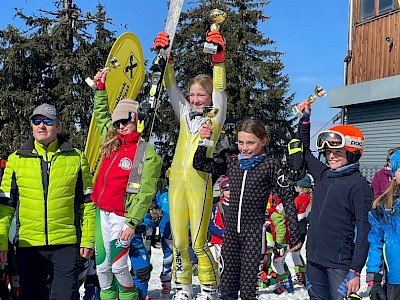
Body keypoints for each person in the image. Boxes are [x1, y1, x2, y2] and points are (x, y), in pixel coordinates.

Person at [153, 28, 228, 300]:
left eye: (201, 96)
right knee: (179, 242)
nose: (196, 100)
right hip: (177, 183)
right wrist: (167, 58)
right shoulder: (185, 114)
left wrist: (218, 63)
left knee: (198, 242)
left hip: (200, 184)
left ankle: (209, 288)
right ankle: (182, 287)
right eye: (193, 95)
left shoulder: (215, 116)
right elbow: (170, 87)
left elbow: (220, 89)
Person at [193, 117, 301, 299]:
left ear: (263, 140)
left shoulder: (270, 165)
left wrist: (295, 231)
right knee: (227, 288)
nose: (244, 148)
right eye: (241, 142)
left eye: (250, 143)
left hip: (253, 235)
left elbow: (288, 197)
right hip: (230, 236)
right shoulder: (232, 161)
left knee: (248, 290)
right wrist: (204, 141)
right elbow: (200, 164)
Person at [0, 103, 96, 299]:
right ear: (32, 127)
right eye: (37, 121)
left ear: (58, 127)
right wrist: (2, 242)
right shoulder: (16, 159)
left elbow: (87, 202)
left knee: (65, 296)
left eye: (47, 121)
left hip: (65, 244)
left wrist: (87, 239)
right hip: (29, 246)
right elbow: (6, 206)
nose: (41, 126)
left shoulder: (76, 158)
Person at [90, 70, 162, 300]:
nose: (120, 126)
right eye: (117, 122)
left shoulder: (145, 153)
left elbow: (145, 192)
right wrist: (100, 89)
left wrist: (132, 222)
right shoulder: (112, 142)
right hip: (102, 213)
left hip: (122, 217)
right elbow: (101, 116)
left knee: (119, 267)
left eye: (125, 121)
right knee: (102, 268)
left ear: (134, 119)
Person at [296, 100, 373, 299]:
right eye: (328, 152)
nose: (331, 156)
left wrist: (355, 270)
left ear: (353, 153)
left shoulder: (359, 185)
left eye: (337, 152)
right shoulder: (322, 174)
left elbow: (364, 229)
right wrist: (305, 121)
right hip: (314, 260)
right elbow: (304, 151)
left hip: (339, 265)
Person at [366, 150, 400, 300]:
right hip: (396, 278)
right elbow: (376, 242)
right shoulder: (383, 206)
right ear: (393, 173)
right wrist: (374, 278)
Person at [291, 173, 313, 287]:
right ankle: (302, 275)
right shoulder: (310, 197)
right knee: (297, 252)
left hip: (297, 226)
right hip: (303, 226)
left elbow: (292, 210)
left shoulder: (300, 198)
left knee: (295, 253)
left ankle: (301, 276)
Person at [208, 177, 230, 271]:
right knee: (221, 263)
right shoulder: (217, 207)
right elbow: (210, 224)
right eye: (226, 190)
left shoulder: (239, 207)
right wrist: (221, 232)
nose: (229, 192)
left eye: (231, 189)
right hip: (219, 240)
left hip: (234, 240)